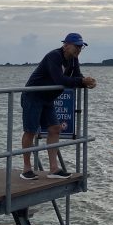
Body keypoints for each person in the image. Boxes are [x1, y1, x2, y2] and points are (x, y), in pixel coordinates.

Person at [20, 32, 97, 180]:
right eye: (76, 46)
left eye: (81, 47)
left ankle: (54, 169)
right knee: (30, 131)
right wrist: (81, 82)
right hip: (33, 96)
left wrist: (87, 82)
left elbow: (77, 76)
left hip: (48, 98)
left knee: (55, 128)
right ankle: (26, 169)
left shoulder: (73, 59)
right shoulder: (54, 56)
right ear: (66, 45)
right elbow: (59, 79)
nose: (79, 49)